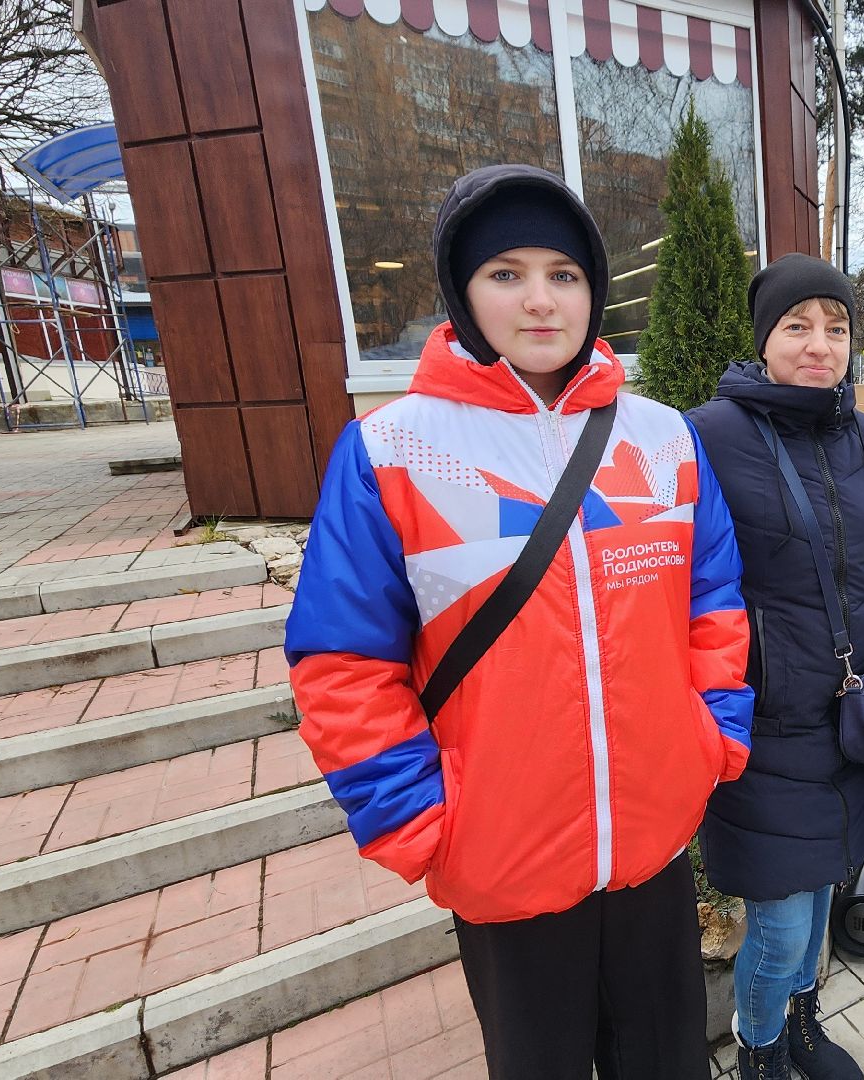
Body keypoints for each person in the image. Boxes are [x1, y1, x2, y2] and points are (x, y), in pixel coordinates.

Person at [284, 164, 752, 1079]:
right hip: (500, 861)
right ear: (460, 289)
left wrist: (712, 738)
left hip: (653, 845)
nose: (540, 300)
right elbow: (343, 665)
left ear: (594, 290)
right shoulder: (392, 449)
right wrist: (422, 823)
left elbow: (715, 605)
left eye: (564, 274)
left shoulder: (662, 437)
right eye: (506, 273)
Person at [688, 254, 864, 1079]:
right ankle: (760, 1052)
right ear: (764, 339)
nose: (821, 346)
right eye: (797, 326)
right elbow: (689, 589)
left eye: (837, 328)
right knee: (777, 926)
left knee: (819, 908)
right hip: (763, 723)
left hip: (847, 719)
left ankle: (803, 1027)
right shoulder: (708, 435)